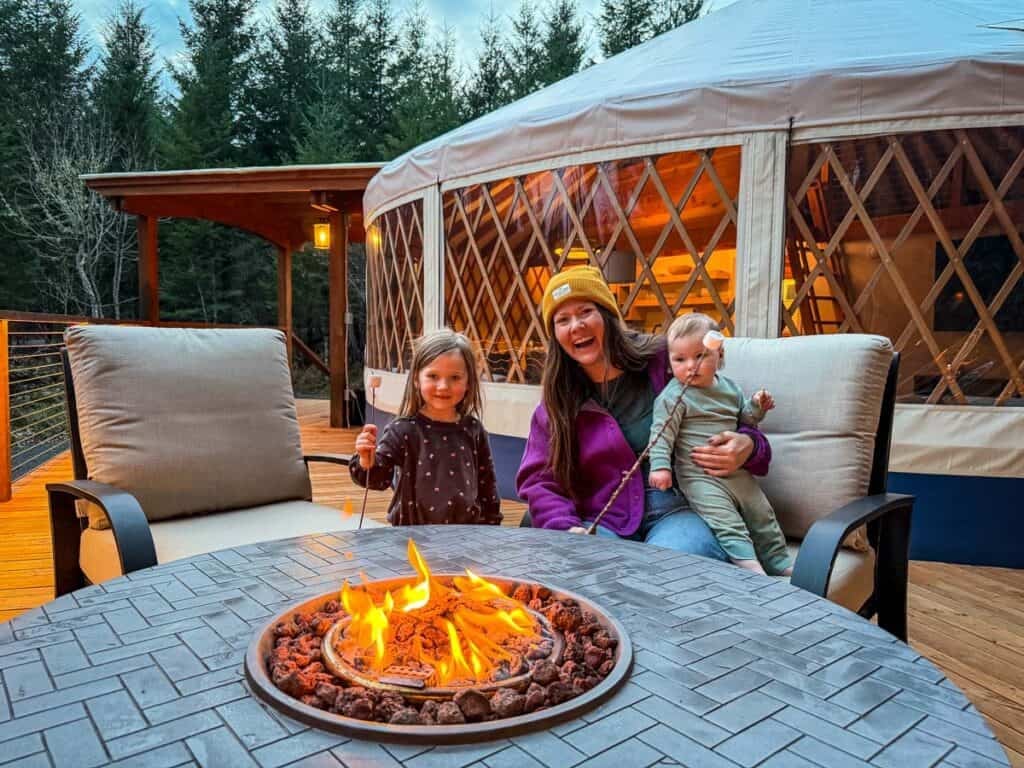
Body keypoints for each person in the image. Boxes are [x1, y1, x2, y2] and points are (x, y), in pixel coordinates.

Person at [516, 265, 770, 559]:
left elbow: (731, 410)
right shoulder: (558, 399)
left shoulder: (666, 361)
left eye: (585, 311)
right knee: (589, 574)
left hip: (677, 510)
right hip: (601, 518)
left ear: (607, 315)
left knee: (674, 569)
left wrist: (749, 446)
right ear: (556, 335)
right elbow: (539, 481)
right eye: (562, 320)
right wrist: (565, 528)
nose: (576, 326)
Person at [649, 313, 791, 575]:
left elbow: (744, 419)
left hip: (737, 471)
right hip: (698, 476)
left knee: (761, 512)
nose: (691, 366)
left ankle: (778, 561)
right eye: (680, 359)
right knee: (725, 520)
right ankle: (750, 567)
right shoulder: (672, 397)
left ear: (719, 355)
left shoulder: (729, 389)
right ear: (670, 362)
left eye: (700, 356)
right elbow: (661, 434)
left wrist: (757, 407)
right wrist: (660, 467)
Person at [351, 329, 502, 526]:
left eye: (455, 377)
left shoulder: (474, 430)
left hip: (466, 538)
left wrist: (492, 528)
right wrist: (366, 460)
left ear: (468, 383)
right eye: (433, 376)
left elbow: (487, 486)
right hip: (412, 540)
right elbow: (378, 480)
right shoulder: (403, 430)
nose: (443, 386)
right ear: (416, 379)